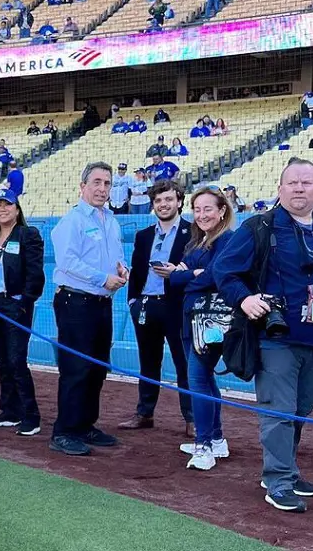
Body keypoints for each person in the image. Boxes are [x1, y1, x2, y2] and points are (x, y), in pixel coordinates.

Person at [214, 158, 313, 513]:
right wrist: (246, 298)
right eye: (292, 182)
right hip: (276, 337)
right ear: (280, 189)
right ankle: (279, 480)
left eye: (307, 182)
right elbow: (225, 271)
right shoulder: (259, 227)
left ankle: (287, 470)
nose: (299, 188)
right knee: (278, 411)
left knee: (299, 411)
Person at [49, 162, 129, 456]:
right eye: (96, 182)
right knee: (76, 368)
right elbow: (67, 262)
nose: (102, 188)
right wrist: (102, 278)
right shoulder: (72, 221)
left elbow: (117, 255)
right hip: (76, 303)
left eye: (107, 183)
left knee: (97, 367)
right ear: (82, 186)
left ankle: (85, 424)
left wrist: (122, 269)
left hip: (101, 303)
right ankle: (64, 430)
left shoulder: (111, 220)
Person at [161, 186, 235, 470]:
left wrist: (186, 275)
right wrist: (193, 275)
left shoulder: (227, 240)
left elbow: (217, 276)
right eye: (198, 209)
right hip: (190, 318)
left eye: (208, 209)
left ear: (221, 211)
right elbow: (174, 280)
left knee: (198, 379)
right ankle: (215, 439)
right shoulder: (198, 242)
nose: (202, 214)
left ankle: (204, 445)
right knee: (204, 379)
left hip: (210, 322)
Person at [120, 180, 193, 435]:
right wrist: (133, 301)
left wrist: (177, 274)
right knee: (148, 362)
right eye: (159, 201)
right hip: (145, 307)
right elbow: (136, 272)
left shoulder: (192, 233)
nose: (164, 205)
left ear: (179, 201)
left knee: (184, 363)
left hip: (177, 308)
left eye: (169, 200)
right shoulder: (144, 236)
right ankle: (145, 413)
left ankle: (191, 419)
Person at [0, 189, 45, 434]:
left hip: (15, 305)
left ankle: (31, 414)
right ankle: (10, 409)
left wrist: (25, 302)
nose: (3, 209)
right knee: (3, 361)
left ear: (17, 209)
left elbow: (36, 273)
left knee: (17, 361)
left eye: (8, 204)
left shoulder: (28, 234)